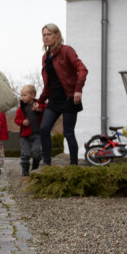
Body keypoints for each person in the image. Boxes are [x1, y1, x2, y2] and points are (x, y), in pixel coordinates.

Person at [37, 23, 88, 165]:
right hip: (54, 100)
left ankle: (73, 166)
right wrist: (40, 101)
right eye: (44, 35)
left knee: (68, 133)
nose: (46, 37)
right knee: (44, 128)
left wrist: (78, 89)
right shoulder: (45, 57)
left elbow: (82, 69)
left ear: (57, 35)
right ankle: (47, 164)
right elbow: (48, 84)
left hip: (69, 98)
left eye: (49, 34)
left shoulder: (66, 51)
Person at [15, 84, 45, 176]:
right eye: (21, 95)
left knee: (36, 152)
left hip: (36, 134)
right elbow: (16, 119)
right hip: (24, 135)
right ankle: (25, 172)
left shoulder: (38, 104)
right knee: (25, 154)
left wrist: (39, 109)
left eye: (25, 95)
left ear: (32, 95)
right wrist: (22, 122)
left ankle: (35, 167)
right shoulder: (21, 109)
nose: (22, 97)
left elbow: (45, 108)